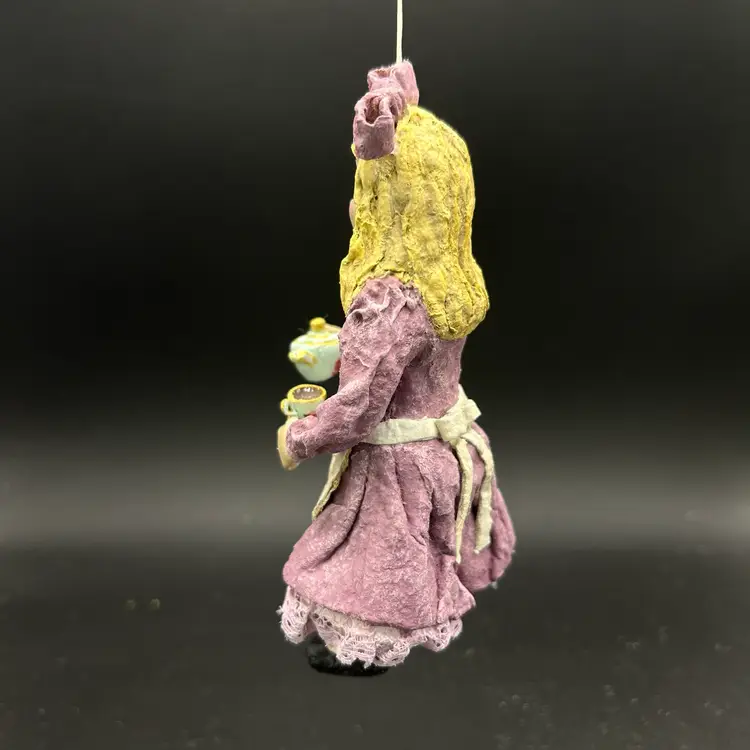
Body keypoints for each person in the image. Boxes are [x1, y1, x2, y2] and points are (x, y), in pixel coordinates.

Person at [276, 61, 515, 676]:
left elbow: (359, 408)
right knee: (413, 561)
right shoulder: (452, 281)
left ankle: (364, 648)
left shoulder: (390, 299)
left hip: (396, 472)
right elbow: (402, 369)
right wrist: (345, 346)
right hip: (443, 452)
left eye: (367, 189)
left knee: (376, 574)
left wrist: (297, 436)